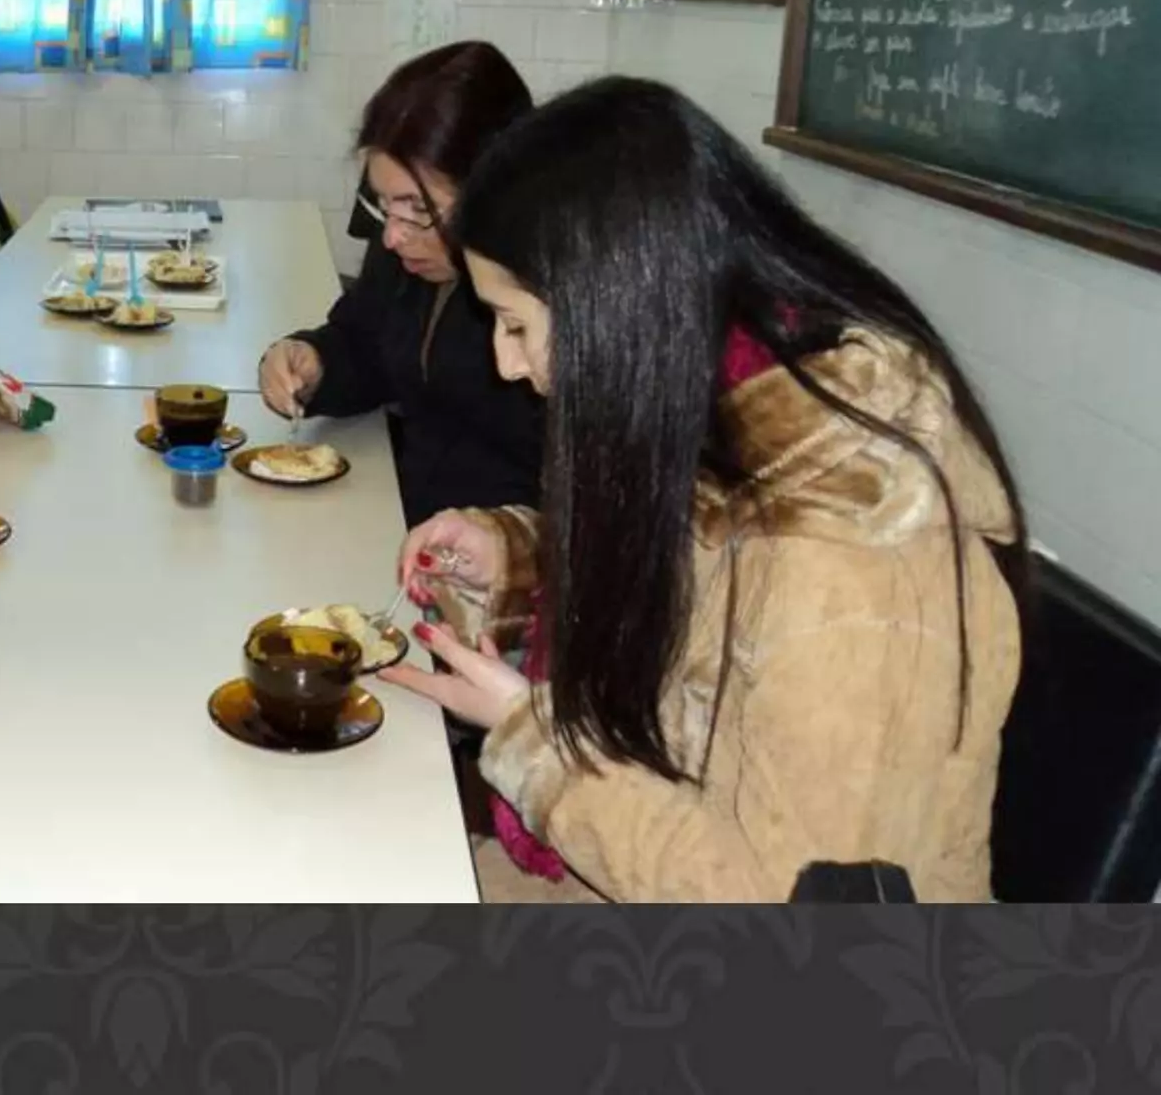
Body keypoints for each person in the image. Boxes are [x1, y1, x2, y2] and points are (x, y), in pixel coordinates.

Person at [380, 77, 1027, 903]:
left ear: (623, 311)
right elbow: (690, 580)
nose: (507, 364)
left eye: (517, 325)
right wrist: (513, 558)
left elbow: (782, 906)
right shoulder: (726, 415)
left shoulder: (855, 566)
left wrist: (533, 744)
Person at [257, 42, 545, 528]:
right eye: (384, 204)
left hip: (495, 550)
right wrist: (314, 362)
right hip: (403, 518)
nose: (392, 236)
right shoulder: (403, 248)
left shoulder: (542, 298)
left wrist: (509, 540)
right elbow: (366, 343)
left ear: (493, 188)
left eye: (418, 209)